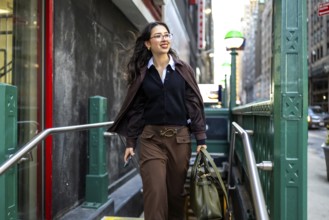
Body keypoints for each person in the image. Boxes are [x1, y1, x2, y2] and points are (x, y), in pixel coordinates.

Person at [108, 21, 207, 220]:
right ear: (148, 44)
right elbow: (137, 110)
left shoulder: (182, 70)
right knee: (155, 193)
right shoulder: (143, 73)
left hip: (180, 141)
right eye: (158, 36)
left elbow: (193, 104)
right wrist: (130, 141)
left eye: (167, 35)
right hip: (151, 139)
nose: (164, 39)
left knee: (175, 195)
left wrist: (201, 139)